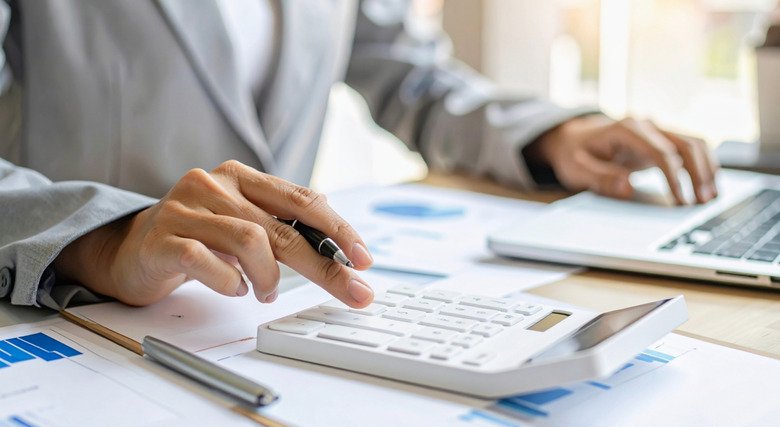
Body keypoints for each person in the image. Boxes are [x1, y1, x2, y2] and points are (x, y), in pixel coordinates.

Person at [0, 0, 718, 310]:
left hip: (270, 321)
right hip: (80, 322)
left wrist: (547, 136)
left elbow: (408, 74)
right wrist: (106, 237)